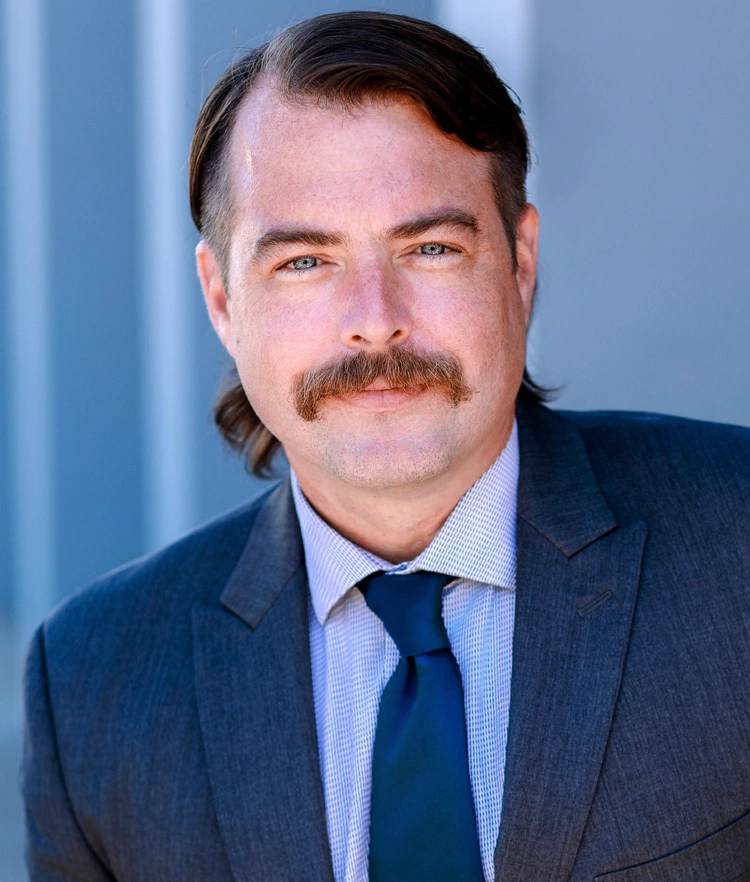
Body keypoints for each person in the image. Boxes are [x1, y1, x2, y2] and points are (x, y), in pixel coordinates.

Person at [21, 11, 750, 882]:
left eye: (430, 247)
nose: (375, 321)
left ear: (519, 264)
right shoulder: (90, 683)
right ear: (221, 299)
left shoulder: (737, 544)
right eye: (304, 261)